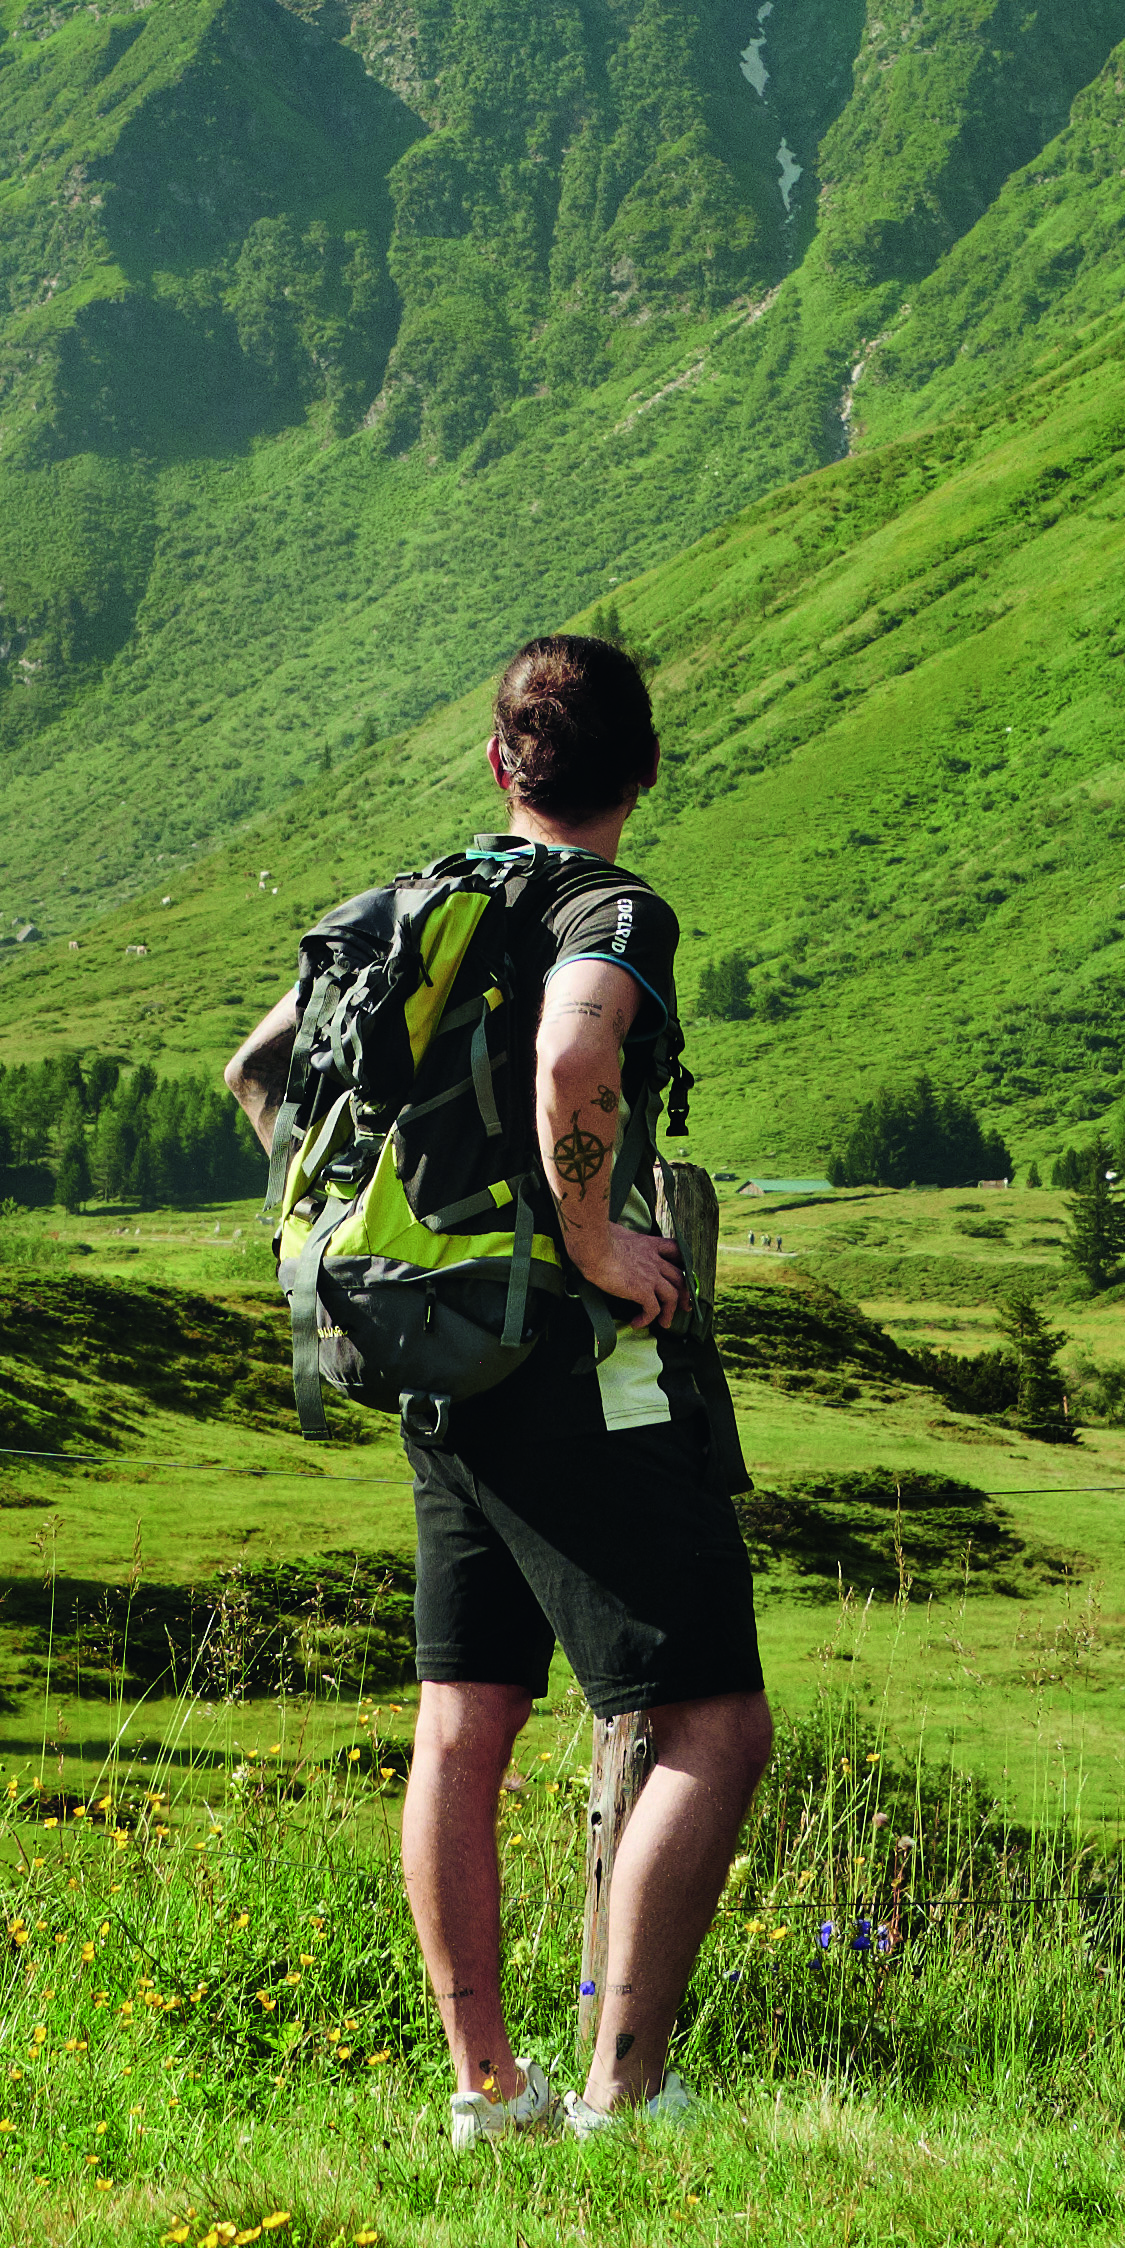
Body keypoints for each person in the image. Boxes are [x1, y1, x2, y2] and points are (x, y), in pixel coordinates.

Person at [232, 628, 762, 2145]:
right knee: (713, 1721)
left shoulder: (412, 907)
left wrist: (369, 1238)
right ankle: (626, 2093)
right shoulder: (608, 906)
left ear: (500, 765)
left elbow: (258, 1074)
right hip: (569, 1371)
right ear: (644, 770)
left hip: (430, 1358)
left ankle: (489, 2091)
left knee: (463, 1722)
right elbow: (576, 1058)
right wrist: (592, 1245)